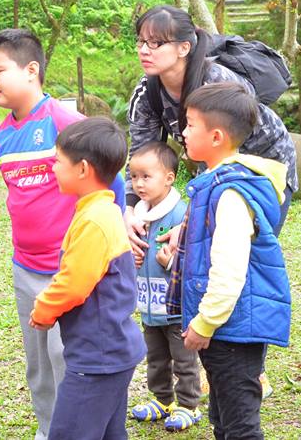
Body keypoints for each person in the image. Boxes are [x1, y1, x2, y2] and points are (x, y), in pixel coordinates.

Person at [125, 5, 297, 397]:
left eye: (156, 42)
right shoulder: (147, 90)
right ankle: (215, 362)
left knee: (238, 262)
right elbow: (142, 153)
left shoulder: (217, 80)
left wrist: (189, 221)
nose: (145, 50)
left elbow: (232, 154)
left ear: (184, 47)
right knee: (200, 258)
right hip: (213, 174)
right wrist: (132, 209)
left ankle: (250, 371)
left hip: (262, 172)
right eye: (141, 41)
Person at [0, 28, 126, 440]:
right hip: (25, 267)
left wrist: (122, 222)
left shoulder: (66, 122)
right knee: (39, 361)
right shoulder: (1, 136)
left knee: (69, 359)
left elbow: (108, 178)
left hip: (71, 270)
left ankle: (80, 429)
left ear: (31, 70)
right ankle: (50, 430)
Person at [169, 82, 290, 440]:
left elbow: (230, 269)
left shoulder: (231, 193)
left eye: (190, 124)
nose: (183, 132)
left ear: (217, 136)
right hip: (229, 327)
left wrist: (205, 323)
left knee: (239, 426)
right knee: (223, 419)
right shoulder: (214, 183)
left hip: (232, 328)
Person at [28, 117, 145, 440]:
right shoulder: (100, 210)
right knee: (108, 433)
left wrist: (43, 310)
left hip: (97, 357)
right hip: (111, 352)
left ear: (82, 169)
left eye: (57, 161)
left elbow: (74, 284)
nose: (52, 168)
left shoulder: (94, 220)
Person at [127, 142, 202, 432]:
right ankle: (162, 399)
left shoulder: (181, 214)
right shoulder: (138, 215)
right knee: (156, 358)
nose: (139, 184)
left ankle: (188, 405)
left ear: (169, 178)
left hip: (176, 307)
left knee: (183, 360)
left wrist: (170, 262)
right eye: (134, 177)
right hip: (149, 304)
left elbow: (193, 259)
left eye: (147, 176)